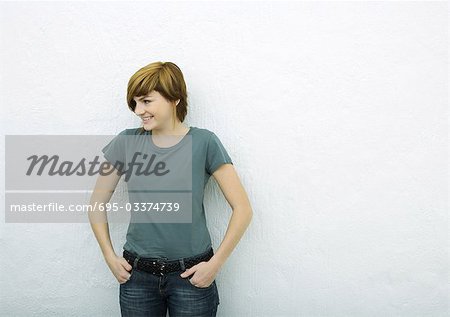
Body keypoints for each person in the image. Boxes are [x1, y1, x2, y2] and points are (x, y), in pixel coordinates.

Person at [88, 61, 253, 316]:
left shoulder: (204, 142)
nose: (138, 110)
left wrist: (214, 264)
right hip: (137, 278)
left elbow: (242, 209)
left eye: (146, 101)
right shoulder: (126, 142)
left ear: (174, 98)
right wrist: (109, 256)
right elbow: (96, 204)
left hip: (192, 276)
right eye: (135, 103)